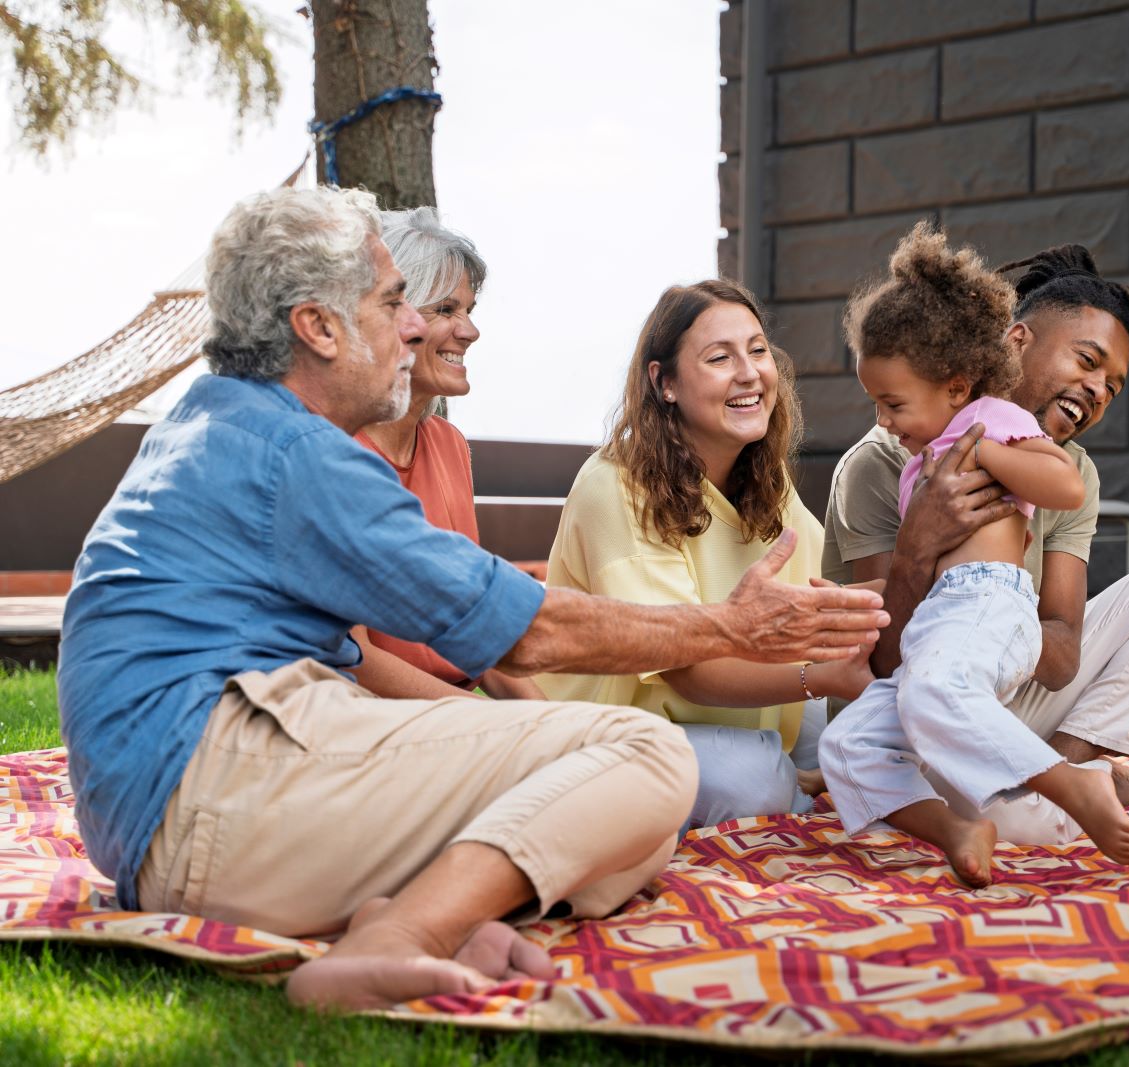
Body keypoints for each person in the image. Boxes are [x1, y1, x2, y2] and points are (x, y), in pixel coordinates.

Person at [57, 186, 888, 1013]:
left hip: (191, 808)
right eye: (393, 303)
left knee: (627, 831)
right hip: (206, 803)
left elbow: (424, 643)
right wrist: (730, 625)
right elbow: (523, 631)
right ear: (317, 327)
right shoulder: (293, 454)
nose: (416, 325)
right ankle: (400, 937)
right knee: (650, 759)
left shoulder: (225, 427)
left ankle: (418, 913)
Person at [822, 236, 1129, 852]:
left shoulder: (1068, 470)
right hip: (918, 703)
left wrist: (989, 605)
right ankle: (1065, 784)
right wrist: (917, 551)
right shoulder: (884, 464)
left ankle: (1064, 773)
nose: (1097, 390)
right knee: (1011, 824)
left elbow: (1063, 654)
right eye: (1086, 361)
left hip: (994, 652)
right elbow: (882, 663)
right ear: (1016, 341)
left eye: (1112, 386)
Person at [539, 280, 875, 829]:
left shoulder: (765, 484)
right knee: (757, 780)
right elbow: (687, 669)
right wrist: (825, 678)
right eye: (720, 358)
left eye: (758, 350)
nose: (749, 373)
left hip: (745, 719)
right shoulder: (615, 486)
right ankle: (790, 788)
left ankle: (795, 782)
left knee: (876, 739)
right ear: (664, 381)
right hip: (614, 734)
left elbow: (833, 602)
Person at [348, 207, 542, 701]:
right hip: (378, 718)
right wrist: (499, 724)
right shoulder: (338, 453)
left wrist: (548, 716)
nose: (470, 331)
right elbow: (355, 659)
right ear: (392, 317)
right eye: (447, 310)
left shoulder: (448, 445)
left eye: (469, 311)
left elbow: (473, 623)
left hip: (460, 705)